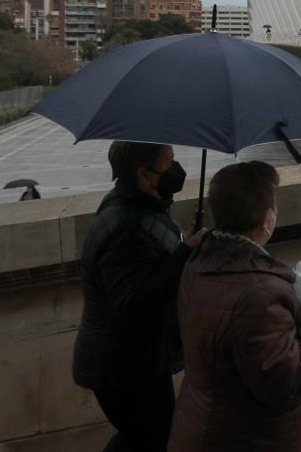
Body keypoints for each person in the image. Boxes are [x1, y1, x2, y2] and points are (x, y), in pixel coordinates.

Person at [169, 161, 301, 451]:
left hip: (202, 423)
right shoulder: (258, 294)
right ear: (266, 218)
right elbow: (285, 382)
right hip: (249, 436)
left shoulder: (197, 263)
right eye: (273, 203)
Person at [73, 141, 203, 452]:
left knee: (146, 437)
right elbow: (133, 304)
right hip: (124, 368)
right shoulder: (126, 227)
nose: (176, 170)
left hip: (135, 360)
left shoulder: (135, 205)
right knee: (155, 438)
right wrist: (186, 252)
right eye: (168, 163)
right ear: (144, 175)